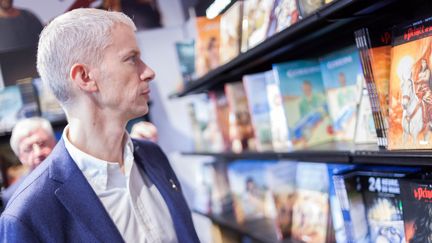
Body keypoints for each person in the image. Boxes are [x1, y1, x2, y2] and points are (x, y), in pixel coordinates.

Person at [0, 8, 199, 243]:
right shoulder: (29, 214)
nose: (148, 72)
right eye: (131, 58)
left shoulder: (153, 157)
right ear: (85, 77)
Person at [1, 117, 56, 205]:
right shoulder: (12, 197)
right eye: (28, 149)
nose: (38, 153)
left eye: (42, 144)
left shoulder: (78, 170)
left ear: (54, 142)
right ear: (21, 157)